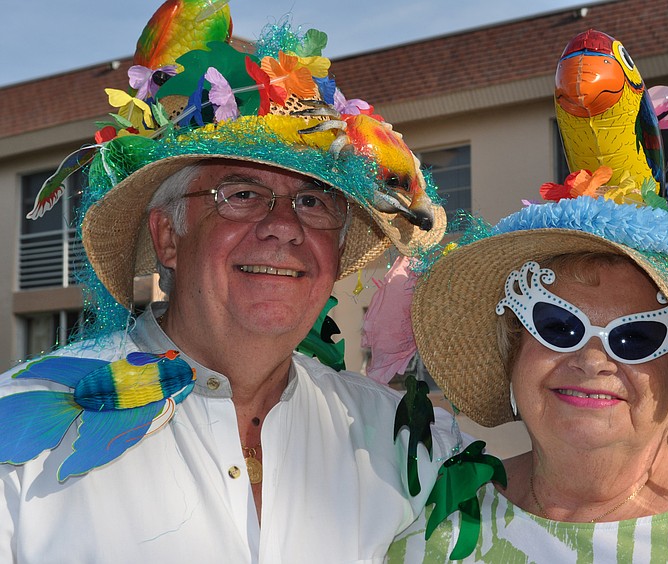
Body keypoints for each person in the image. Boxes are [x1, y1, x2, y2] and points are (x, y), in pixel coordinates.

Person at [0, 6, 462, 562]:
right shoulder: (17, 438)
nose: (285, 227)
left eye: (314, 201)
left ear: (338, 250)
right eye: (240, 194)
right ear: (168, 237)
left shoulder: (412, 446)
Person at [387, 181, 668, 562]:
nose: (591, 360)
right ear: (515, 352)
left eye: (636, 338)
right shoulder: (425, 522)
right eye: (557, 325)